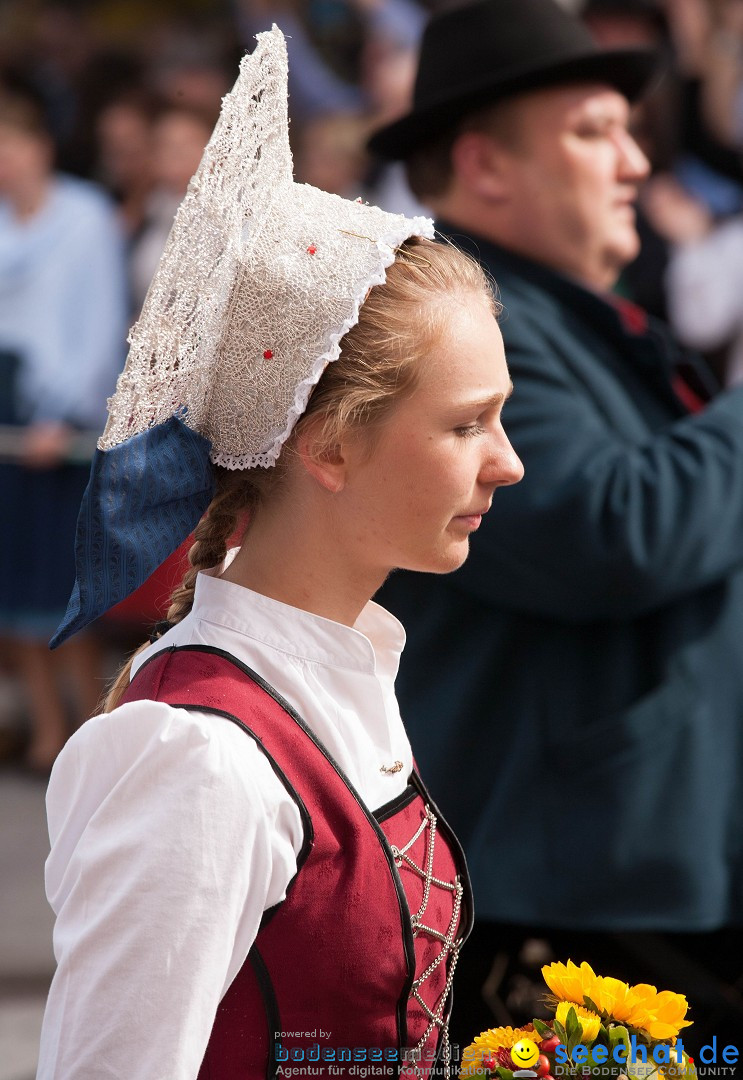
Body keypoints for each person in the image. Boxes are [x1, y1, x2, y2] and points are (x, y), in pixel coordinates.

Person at [37, 28, 523, 1080]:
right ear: (329, 446)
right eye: (465, 425)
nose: (508, 464)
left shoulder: (338, 670)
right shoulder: (196, 757)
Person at [369, 0, 743, 1054]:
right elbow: (612, 531)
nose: (632, 161)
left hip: (635, 888)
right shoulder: (461, 326)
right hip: (575, 904)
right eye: (593, 131)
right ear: (484, 165)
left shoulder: (548, 313)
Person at [0, 79, 128, 773]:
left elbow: (101, 321)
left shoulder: (83, 215)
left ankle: (93, 731)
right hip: (5, 411)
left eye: (11, 145)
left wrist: (67, 411)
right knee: (10, 587)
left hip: (64, 420)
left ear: (39, 146)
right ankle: (47, 730)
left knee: (63, 586)